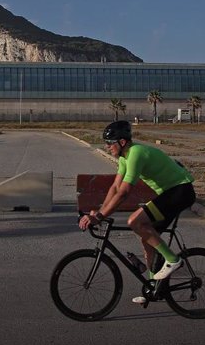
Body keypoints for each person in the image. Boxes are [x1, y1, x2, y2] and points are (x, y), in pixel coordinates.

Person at [78, 120, 196, 304]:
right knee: (147, 239)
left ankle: (173, 259)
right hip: (170, 193)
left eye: (109, 143)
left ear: (122, 142)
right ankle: (153, 287)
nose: (107, 147)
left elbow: (124, 193)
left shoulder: (136, 154)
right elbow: (115, 188)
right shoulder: (125, 158)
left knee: (134, 221)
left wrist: (100, 216)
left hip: (180, 191)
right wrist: (98, 212)